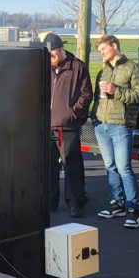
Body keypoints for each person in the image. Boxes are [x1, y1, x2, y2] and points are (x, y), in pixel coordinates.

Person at [92, 34, 139, 228]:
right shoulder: (103, 71)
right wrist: (94, 117)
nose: (101, 54)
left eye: (103, 50)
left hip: (121, 125)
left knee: (124, 168)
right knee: (110, 166)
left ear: (114, 46)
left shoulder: (132, 68)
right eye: (99, 51)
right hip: (102, 125)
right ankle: (117, 204)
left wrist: (116, 91)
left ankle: (134, 209)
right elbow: (97, 98)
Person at [44, 33, 92, 217]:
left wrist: (72, 114)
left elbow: (86, 95)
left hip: (68, 126)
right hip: (47, 126)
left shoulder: (78, 67)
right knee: (49, 167)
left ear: (61, 49)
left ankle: (76, 202)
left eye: (53, 51)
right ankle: (50, 201)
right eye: (48, 53)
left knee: (72, 164)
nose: (51, 56)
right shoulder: (44, 67)